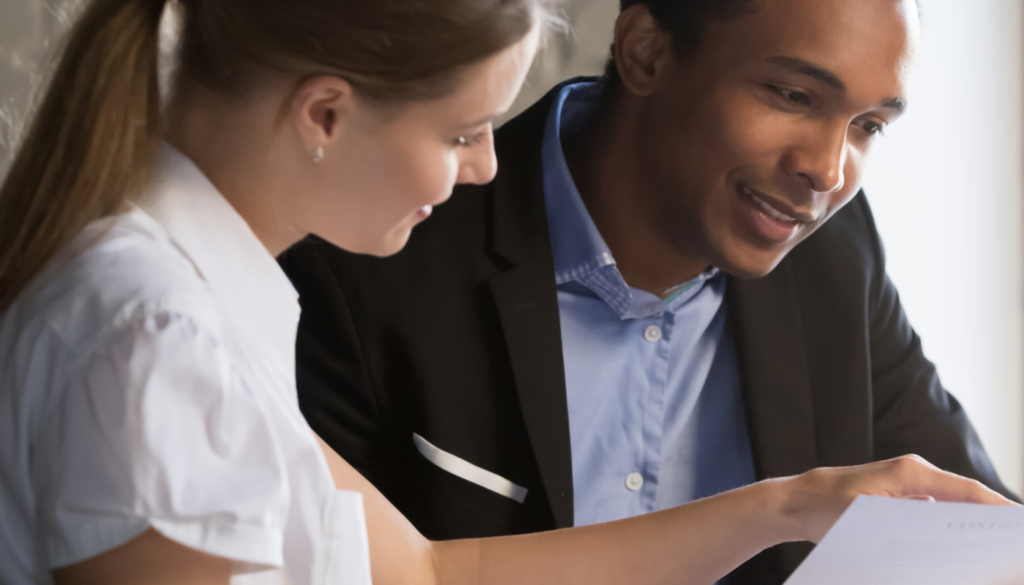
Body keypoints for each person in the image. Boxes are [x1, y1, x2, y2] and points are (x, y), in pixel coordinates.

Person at [0, 0, 1015, 584]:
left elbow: (440, 576)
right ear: (324, 113)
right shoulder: (151, 340)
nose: (488, 168)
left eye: (871, 126)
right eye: (458, 133)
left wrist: (790, 506)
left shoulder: (206, 311)